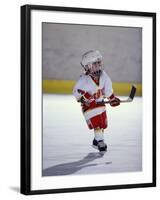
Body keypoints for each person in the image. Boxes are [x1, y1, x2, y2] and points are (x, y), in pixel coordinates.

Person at [73, 50, 120, 153]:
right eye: (95, 63)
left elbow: (107, 88)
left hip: (100, 105)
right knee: (97, 124)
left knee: (103, 124)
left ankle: (96, 141)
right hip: (90, 107)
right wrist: (84, 97)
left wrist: (112, 98)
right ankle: (100, 141)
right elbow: (76, 92)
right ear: (88, 66)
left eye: (99, 63)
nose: (99, 65)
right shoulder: (83, 80)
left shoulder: (104, 76)